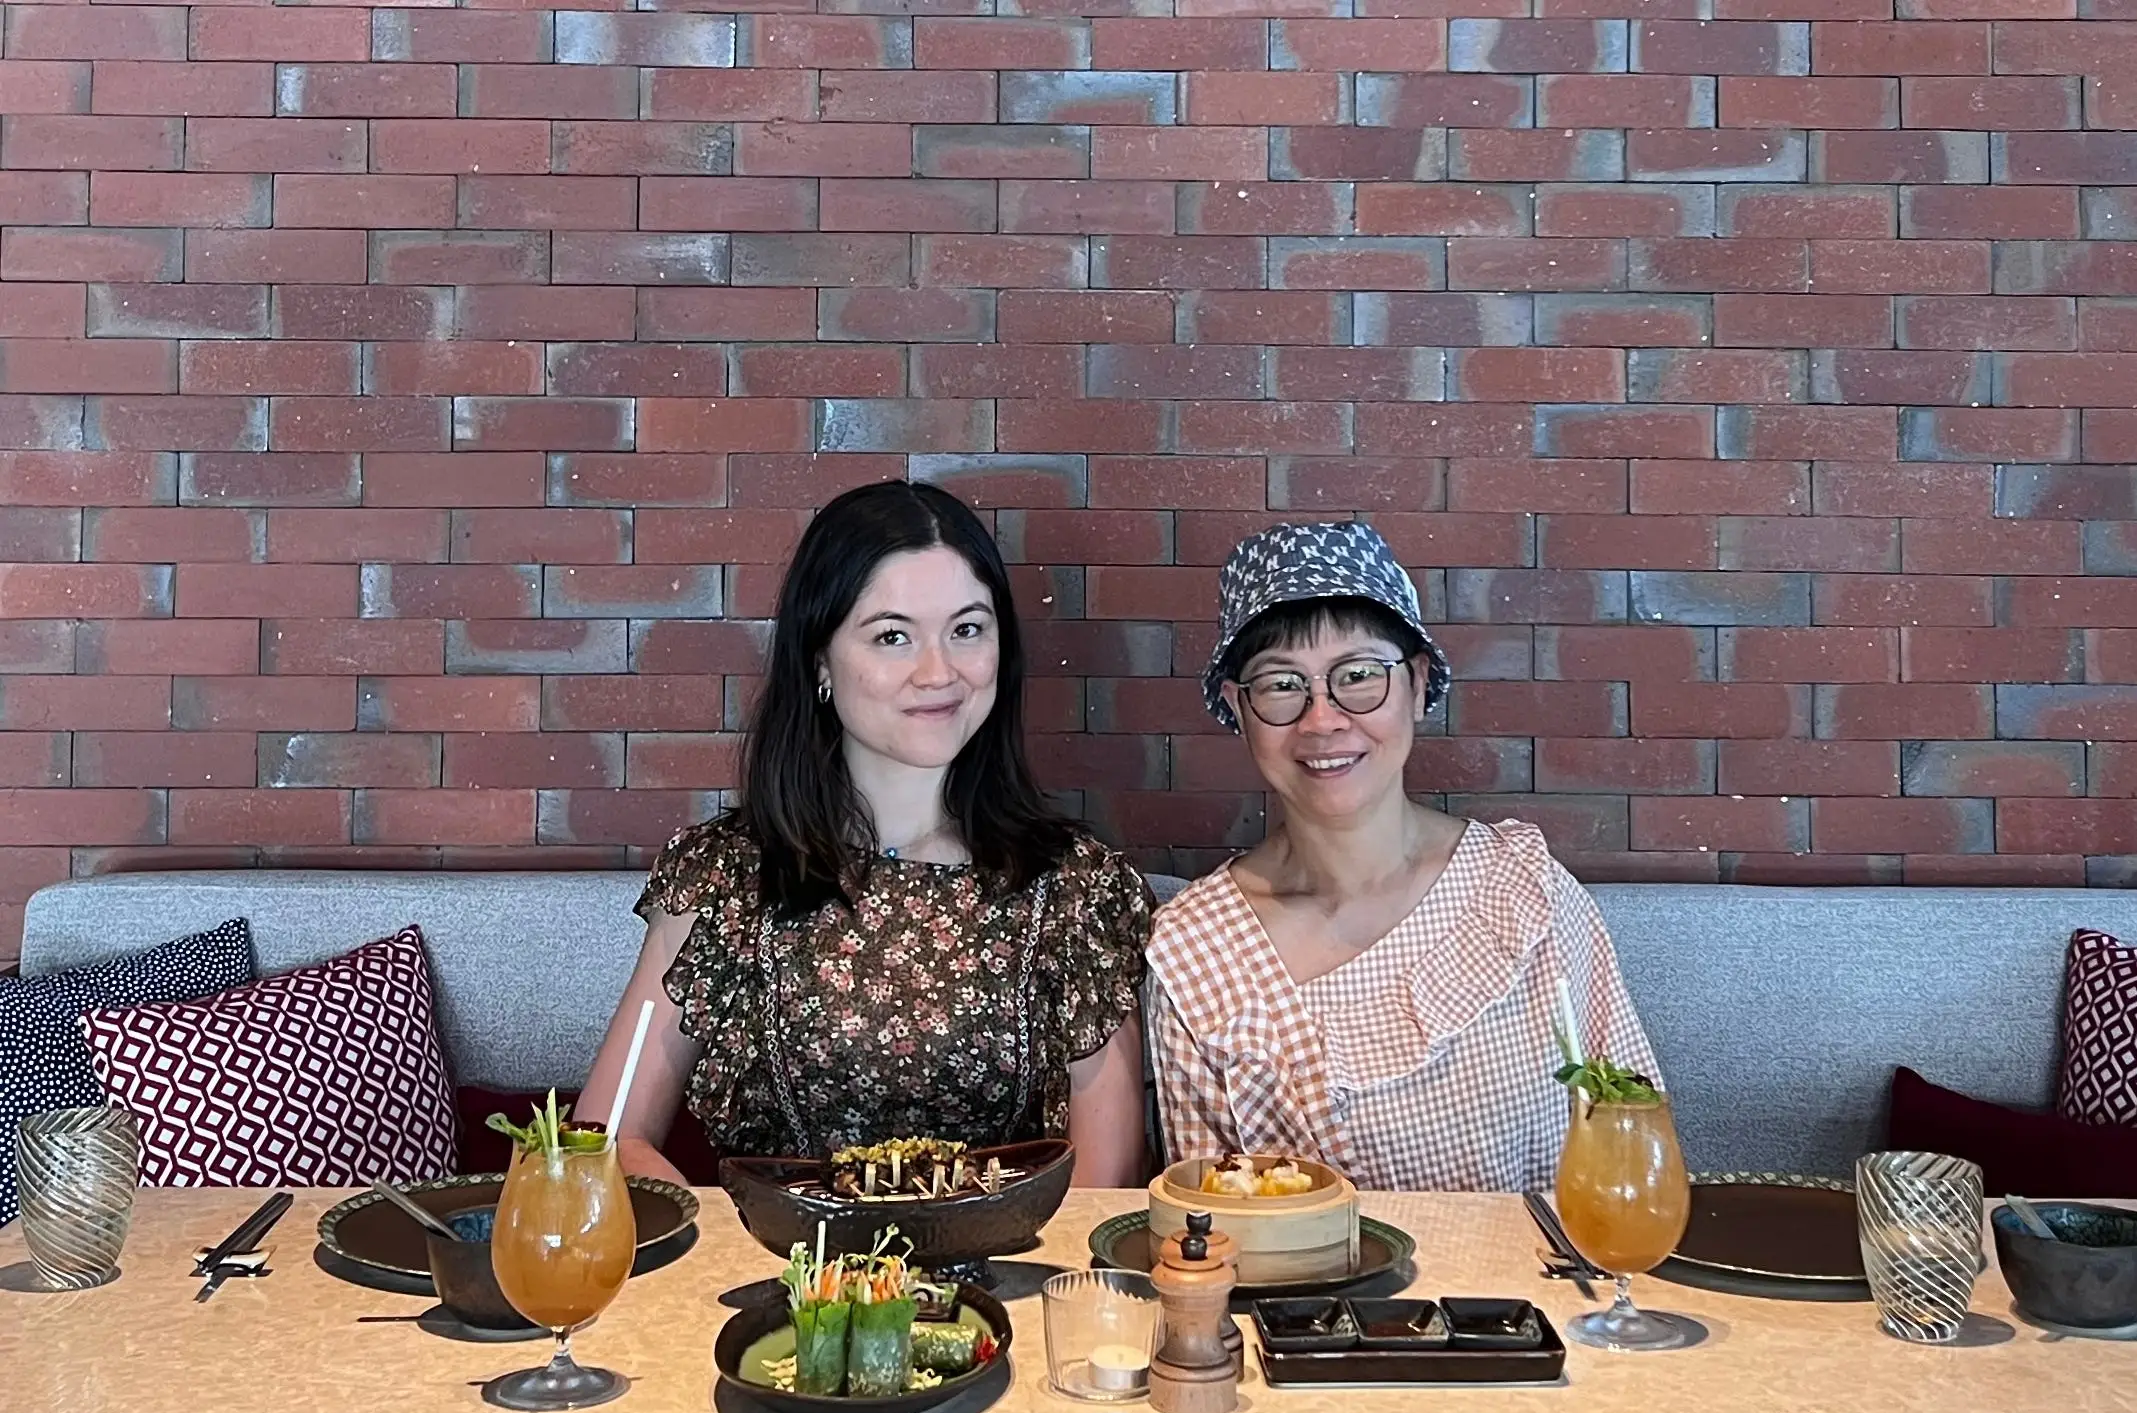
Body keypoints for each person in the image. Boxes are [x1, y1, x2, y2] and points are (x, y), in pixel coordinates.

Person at [575, 481, 1153, 1188]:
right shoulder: (723, 876)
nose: (938, 672)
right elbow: (601, 1143)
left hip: (1007, 1285)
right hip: (780, 1281)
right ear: (819, 660)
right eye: (891, 635)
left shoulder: (1075, 887)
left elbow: (1102, 1190)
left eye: (967, 629)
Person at [1147, 521, 1658, 1191]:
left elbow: (1634, 1143)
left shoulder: (1521, 888)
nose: (1322, 718)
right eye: (1280, 685)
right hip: (1317, 1298)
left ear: (1416, 684)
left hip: (1554, 1290)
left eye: (1358, 675)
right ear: (1237, 709)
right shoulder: (1195, 950)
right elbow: (1206, 1227)